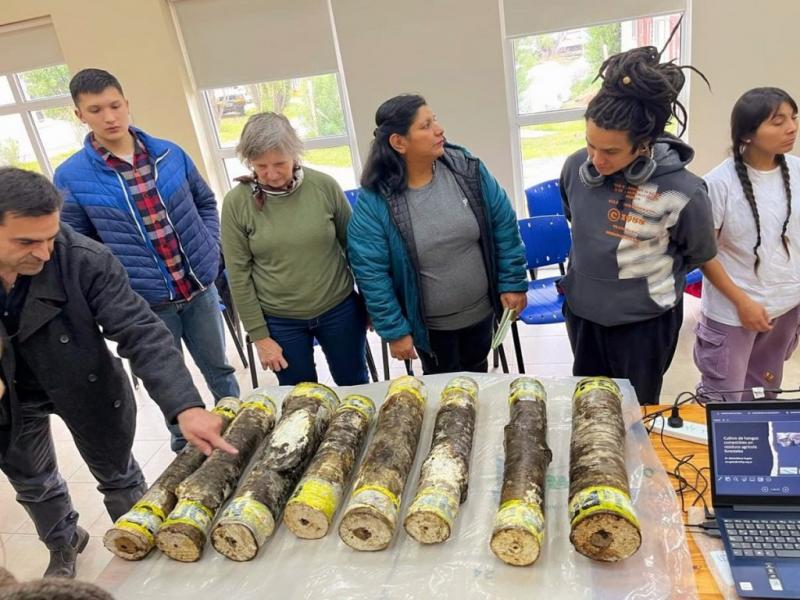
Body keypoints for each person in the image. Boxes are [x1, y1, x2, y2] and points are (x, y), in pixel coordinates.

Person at [0, 168, 236, 579]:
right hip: (14, 394)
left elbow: (139, 329)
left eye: (51, 237)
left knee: (118, 475)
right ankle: (63, 542)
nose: (43, 253)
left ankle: (142, 545)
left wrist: (186, 405)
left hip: (82, 380)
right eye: (26, 242)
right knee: (33, 482)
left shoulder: (84, 258)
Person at [53, 68, 239, 449]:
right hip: (144, 306)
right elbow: (78, 248)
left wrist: (208, 250)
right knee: (167, 380)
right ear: (79, 115)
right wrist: (118, 288)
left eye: (115, 105)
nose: (109, 117)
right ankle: (185, 450)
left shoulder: (171, 154)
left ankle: (241, 430)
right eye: (95, 109)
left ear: (127, 103)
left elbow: (205, 202)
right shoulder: (71, 176)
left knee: (219, 369)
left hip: (198, 289)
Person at [559, 45, 717, 405]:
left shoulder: (684, 191)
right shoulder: (574, 168)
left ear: (643, 147)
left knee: (636, 416)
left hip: (644, 326)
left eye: (611, 152)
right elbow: (578, 222)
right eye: (590, 145)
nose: (596, 161)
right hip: (584, 317)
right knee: (589, 410)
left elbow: (697, 252)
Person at [348, 94, 528, 374]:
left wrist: (512, 282)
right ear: (399, 142)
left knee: (477, 375)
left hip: (482, 313)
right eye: (426, 125)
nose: (439, 129)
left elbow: (503, 225)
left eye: (435, 119)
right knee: (443, 389)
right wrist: (395, 330)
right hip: (430, 328)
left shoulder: (467, 169)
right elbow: (371, 272)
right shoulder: (375, 201)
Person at [221, 112, 369, 386]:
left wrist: (371, 302)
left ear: (295, 155)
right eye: (260, 166)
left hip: (339, 309)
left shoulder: (324, 186)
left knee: (355, 385)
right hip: (280, 320)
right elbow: (239, 275)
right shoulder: (236, 203)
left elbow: (356, 249)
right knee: (300, 398)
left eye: (280, 163)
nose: (271, 174)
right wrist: (260, 336)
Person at [694, 88, 800, 401]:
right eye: (777, 121)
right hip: (734, 312)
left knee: (764, 394)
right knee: (725, 400)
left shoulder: (797, 170)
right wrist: (742, 302)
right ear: (748, 134)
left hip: (785, 307)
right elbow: (705, 254)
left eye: (793, 118)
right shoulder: (718, 183)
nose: (791, 128)